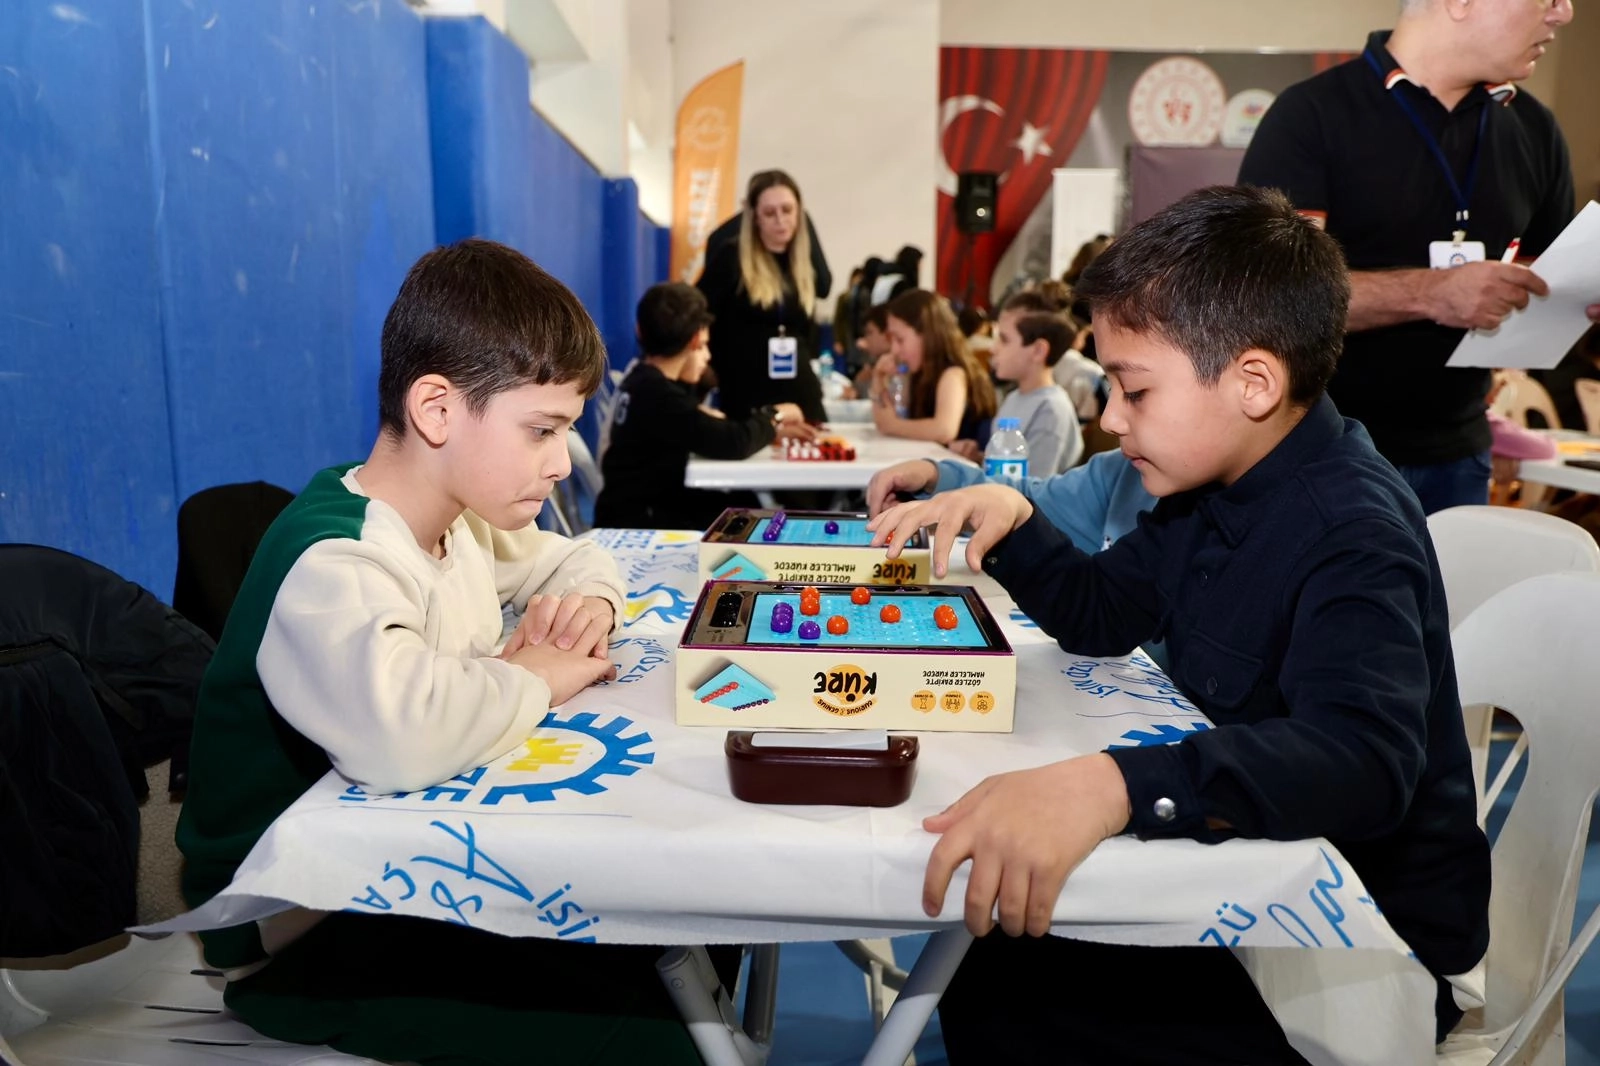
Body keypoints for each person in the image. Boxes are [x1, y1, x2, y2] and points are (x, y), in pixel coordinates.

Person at [869, 187, 1489, 1063]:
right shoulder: (1211, 486)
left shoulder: (1353, 529)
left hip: (1357, 945)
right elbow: (1102, 612)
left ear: (1253, 383)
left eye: (1133, 390)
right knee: (996, 947)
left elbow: (1362, 761)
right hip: (1252, 878)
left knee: (1010, 983)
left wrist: (1114, 785)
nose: (1111, 418)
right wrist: (1014, 522)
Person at [175, 240, 716, 1066]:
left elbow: (580, 555)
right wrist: (533, 673)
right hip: (299, 925)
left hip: (400, 866)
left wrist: (589, 608)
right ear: (436, 409)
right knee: (651, 1038)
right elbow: (404, 733)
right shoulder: (334, 562)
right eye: (541, 430)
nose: (559, 463)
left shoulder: (457, 519)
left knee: (677, 941)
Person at [1239, 0, 1600, 514]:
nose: (1564, 13)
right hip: (1319, 455)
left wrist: (1574, 298)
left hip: (1462, 455)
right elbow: (1270, 297)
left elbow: (1539, 281)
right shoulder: (1311, 115)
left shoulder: (1535, 129)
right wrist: (1432, 293)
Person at [595, 282, 815, 529]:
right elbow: (735, 442)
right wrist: (776, 414)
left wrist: (769, 431)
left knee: (743, 502)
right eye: (703, 345)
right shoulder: (660, 395)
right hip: (640, 520)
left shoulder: (643, 380)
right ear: (694, 339)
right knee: (746, 517)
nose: (708, 356)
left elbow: (709, 426)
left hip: (644, 505)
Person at [697, 169, 829, 423]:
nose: (780, 220)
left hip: (799, 386)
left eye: (787, 210)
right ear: (755, 217)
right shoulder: (731, 258)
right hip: (746, 389)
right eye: (770, 213)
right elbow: (698, 312)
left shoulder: (803, 262)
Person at [950, 308, 1081, 474]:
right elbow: (1012, 468)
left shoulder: (1051, 410)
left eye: (1004, 340)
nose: (993, 349)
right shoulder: (1014, 397)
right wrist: (979, 457)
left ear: (1038, 350)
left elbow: (1034, 484)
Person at [871, 289, 997, 446]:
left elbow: (944, 430)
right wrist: (878, 378)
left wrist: (892, 425)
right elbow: (886, 418)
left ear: (927, 336)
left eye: (900, 340)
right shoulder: (918, 372)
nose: (894, 350)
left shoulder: (953, 373)